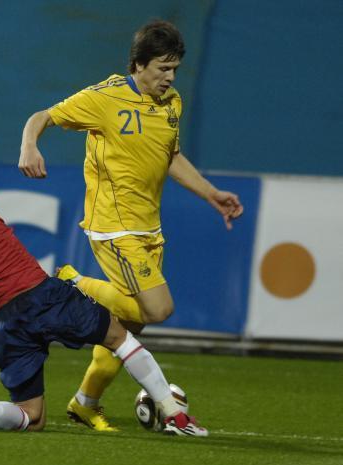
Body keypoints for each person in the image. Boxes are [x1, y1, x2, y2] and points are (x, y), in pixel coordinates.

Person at [0, 142, 208, 436]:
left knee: (32, 417)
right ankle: (175, 416)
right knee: (119, 337)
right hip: (37, 295)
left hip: (2, 325)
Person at [18, 20, 244, 431]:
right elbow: (42, 116)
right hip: (114, 227)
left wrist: (211, 194)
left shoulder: (172, 102)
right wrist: (29, 146)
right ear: (139, 65)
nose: (170, 77)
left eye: (174, 69)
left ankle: (85, 402)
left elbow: (170, 156)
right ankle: (73, 283)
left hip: (148, 229)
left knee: (124, 326)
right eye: (162, 68)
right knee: (159, 308)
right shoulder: (104, 98)